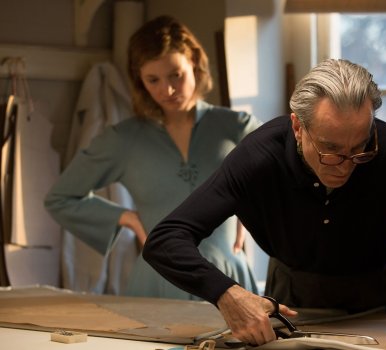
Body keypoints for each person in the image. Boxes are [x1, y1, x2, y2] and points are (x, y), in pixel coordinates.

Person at [143, 58, 386, 349]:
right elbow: (165, 240)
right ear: (298, 127)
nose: (347, 164)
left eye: (359, 149)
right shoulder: (257, 159)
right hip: (296, 306)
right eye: (331, 150)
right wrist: (226, 293)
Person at [44, 15, 261, 299]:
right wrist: (128, 218)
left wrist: (249, 210)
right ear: (139, 80)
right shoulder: (122, 140)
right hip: (157, 283)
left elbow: (282, 180)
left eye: (176, 75)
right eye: (153, 80)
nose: (167, 90)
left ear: (193, 61)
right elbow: (59, 198)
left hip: (231, 277)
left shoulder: (238, 127)